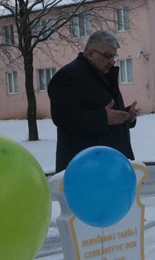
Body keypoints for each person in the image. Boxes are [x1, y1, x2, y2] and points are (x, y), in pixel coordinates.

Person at [48, 30, 138, 172]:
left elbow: (102, 110)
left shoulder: (102, 75)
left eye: (113, 56)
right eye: (108, 56)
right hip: (86, 166)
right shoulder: (68, 76)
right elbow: (62, 116)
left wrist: (126, 116)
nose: (112, 62)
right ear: (90, 54)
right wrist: (103, 117)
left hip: (110, 163)